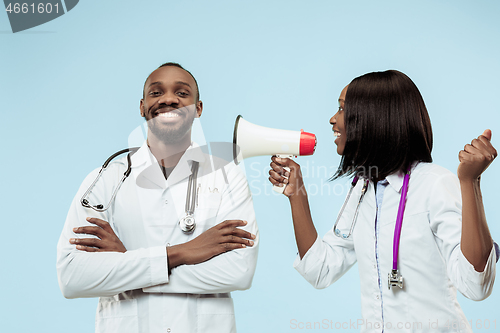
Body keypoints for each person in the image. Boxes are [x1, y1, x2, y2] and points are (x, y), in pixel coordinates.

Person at [269, 70, 497, 333]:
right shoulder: (363, 189)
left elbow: (476, 285)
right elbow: (320, 269)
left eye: (343, 109)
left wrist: (471, 183)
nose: (333, 119)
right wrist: (297, 194)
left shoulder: (434, 184)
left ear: (374, 119)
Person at [57, 62, 259, 333]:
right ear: (142, 106)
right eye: (156, 92)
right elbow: (72, 277)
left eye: (182, 93)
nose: (168, 99)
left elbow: (238, 271)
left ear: (198, 108)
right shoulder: (106, 180)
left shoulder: (227, 177)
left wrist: (127, 261)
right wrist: (181, 253)